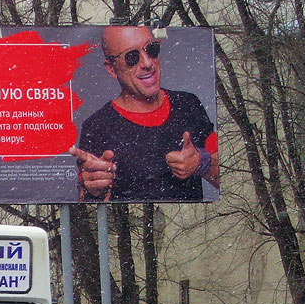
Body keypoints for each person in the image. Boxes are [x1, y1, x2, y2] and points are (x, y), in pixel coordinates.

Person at [69, 25, 219, 202]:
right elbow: (85, 206)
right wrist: (93, 190)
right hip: (131, 228)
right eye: (132, 57)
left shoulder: (188, 104)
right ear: (111, 68)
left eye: (152, 49)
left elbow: (224, 176)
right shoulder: (96, 127)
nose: (148, 63)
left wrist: (202, 162)